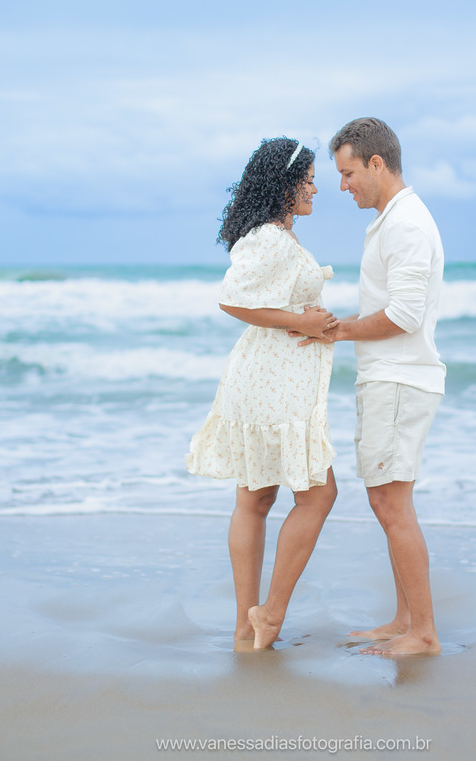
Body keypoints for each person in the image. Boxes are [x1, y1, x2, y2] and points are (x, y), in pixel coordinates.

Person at [186, 137, 340, 651]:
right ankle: (267, 616)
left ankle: (245, 628)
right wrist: (304, 322)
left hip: (268, 380)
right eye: (310, 178)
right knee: (318, 494)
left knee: (255, 500)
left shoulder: (273, 235)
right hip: (274, 385)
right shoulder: (271, 237)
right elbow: (234, 300)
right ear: (286, 183)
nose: (316, 188)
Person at [299, 117, 445, 656]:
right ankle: (405, 620)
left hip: (400, 378)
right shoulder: (394, 219)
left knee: (390, 503)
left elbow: (404, 314)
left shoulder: (406, 224)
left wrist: (337, 331)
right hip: (392, 377)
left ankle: (424, 633)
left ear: (376, 164)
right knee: (391, 499)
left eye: (348, 173)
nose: (342, 186)